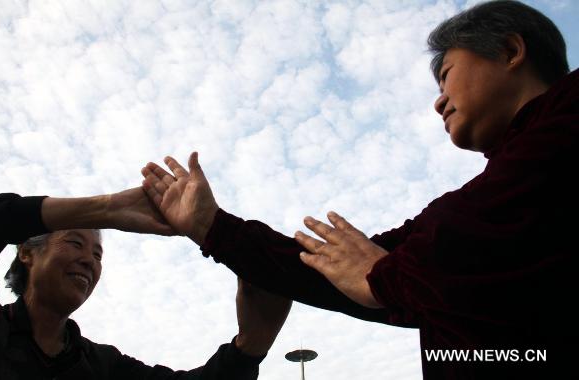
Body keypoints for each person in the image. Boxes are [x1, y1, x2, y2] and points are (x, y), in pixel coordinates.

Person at [139, 1, 578, 378]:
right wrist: (210, 226)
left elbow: (407, 265)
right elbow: (334, 271)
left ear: (510, 50)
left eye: (446, 75)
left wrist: (385, 277)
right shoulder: (478, 203)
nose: (438, 101)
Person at [0, 187, 292, 379]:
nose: (89, 259)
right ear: (26, 252)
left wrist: (250, 347)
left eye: (98, 253)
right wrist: (105, 209)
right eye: (75, 243)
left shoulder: (101, 365)